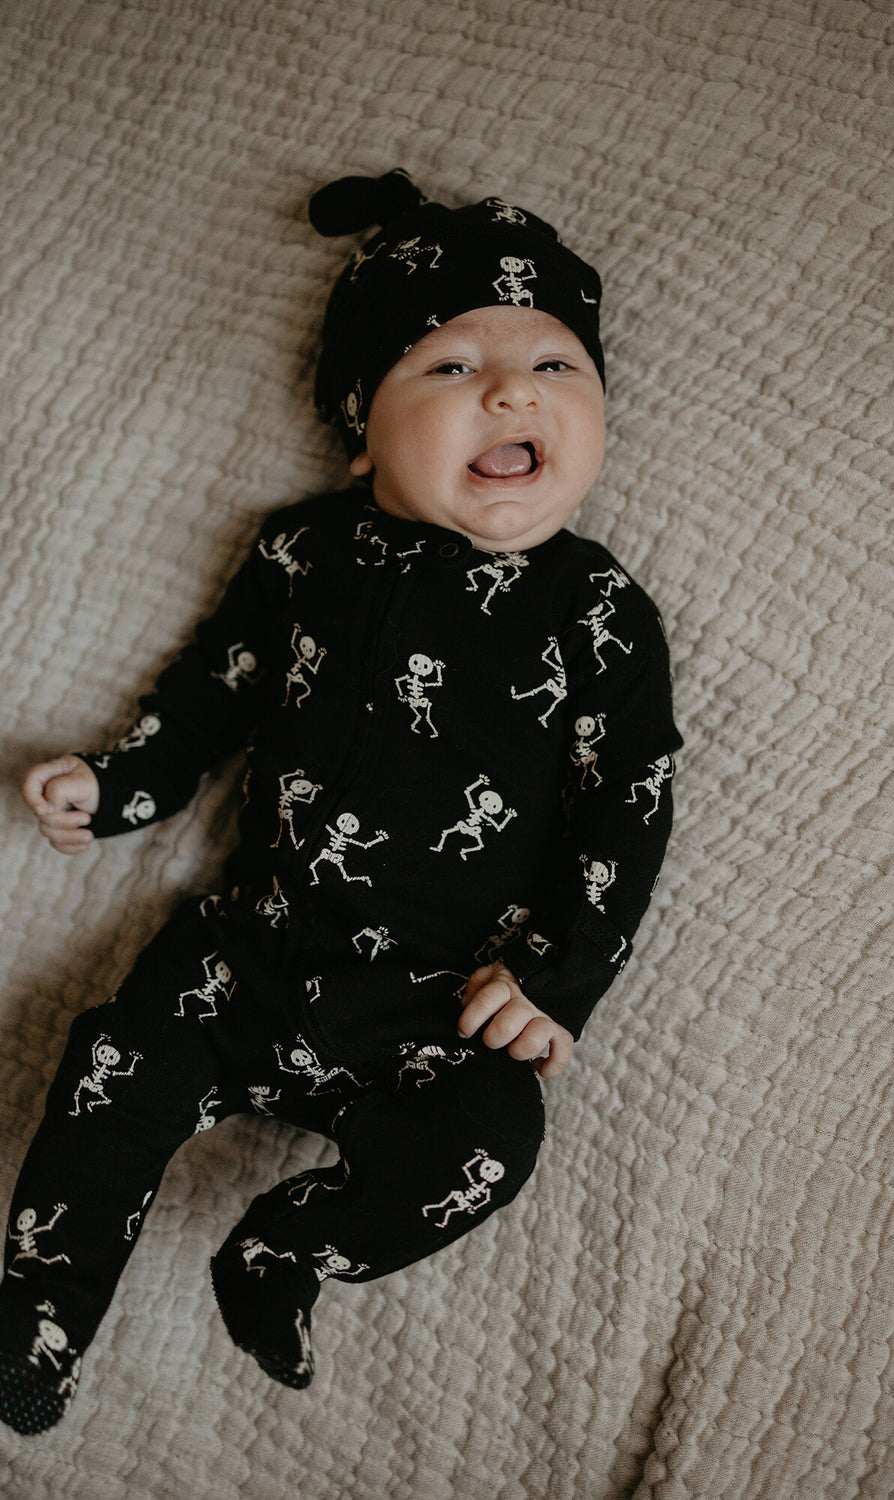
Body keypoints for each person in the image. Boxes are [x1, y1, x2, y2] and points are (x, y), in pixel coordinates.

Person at [0, 169, 682, 1435]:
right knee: (114, 1068)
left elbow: (628, 802)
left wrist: (559, 974)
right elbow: (209, 694)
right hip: (250, 954)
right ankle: (36, 1319)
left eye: (554, 364)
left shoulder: (596, 612)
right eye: (450, 368)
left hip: (440, 998)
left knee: (489, 1141)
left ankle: (286, 1253)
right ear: (361, 424)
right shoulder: (302, 555)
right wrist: (117, 782)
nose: (511, 389)